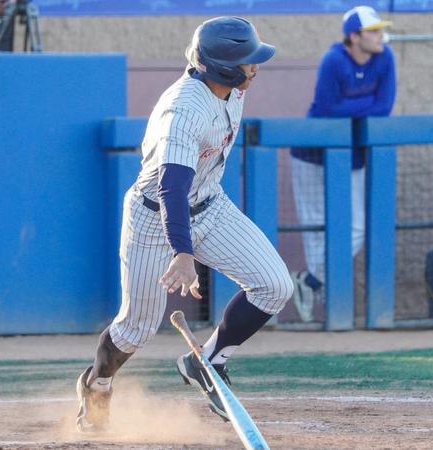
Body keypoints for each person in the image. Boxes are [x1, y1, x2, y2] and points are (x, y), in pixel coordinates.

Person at [75, 17, 294, 432]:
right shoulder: (183, 110)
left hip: (211, 204)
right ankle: (97, 384)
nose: (255, 67)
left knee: (275, 285)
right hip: (156, 217)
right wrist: (183, 252)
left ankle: (206, 361)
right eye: (247, 61)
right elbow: (170, 189)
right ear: (224, 68)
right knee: (136, 329)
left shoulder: (229, 90)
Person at [289, 5, 396, 321]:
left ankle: (309, 282)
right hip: (312, 156)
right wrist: (364, 105)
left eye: (380, 30)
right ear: (354, 36)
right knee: (318, 230)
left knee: (357, 229)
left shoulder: (385, 57)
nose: (380, 37)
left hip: (352, 157)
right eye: (373, 31)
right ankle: (315, 287)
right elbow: (326, 109)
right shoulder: (334, 59)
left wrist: (350, 106)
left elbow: (384, 107)